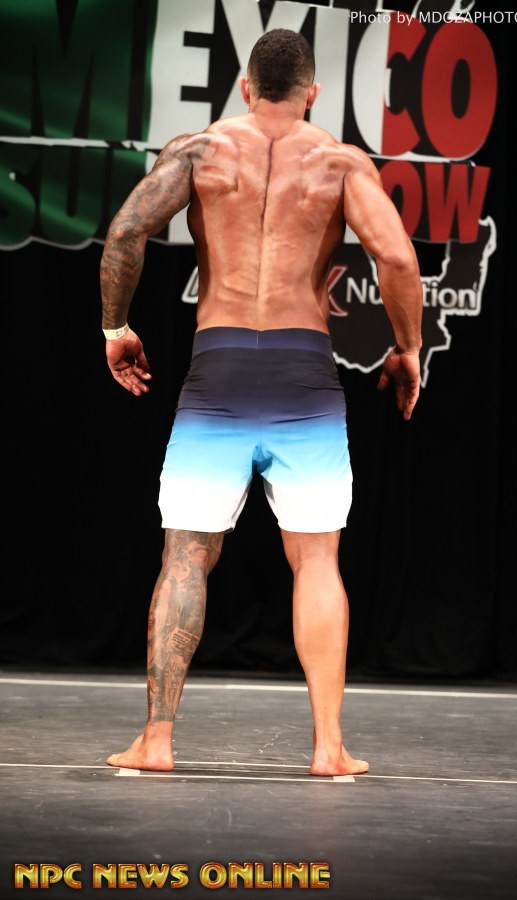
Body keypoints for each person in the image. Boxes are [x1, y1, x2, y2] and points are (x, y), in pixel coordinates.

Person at [101, 28, 423, 776]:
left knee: (186, 553)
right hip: (301, 375)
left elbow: (125, 232)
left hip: (217, 373)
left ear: (246, 87)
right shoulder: (340, 161)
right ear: (313, 93)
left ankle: (156, 741)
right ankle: (328, 748)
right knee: (316, 560)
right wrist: (407, 349)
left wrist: (116, 328)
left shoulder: (198, 150)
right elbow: (399, 259)